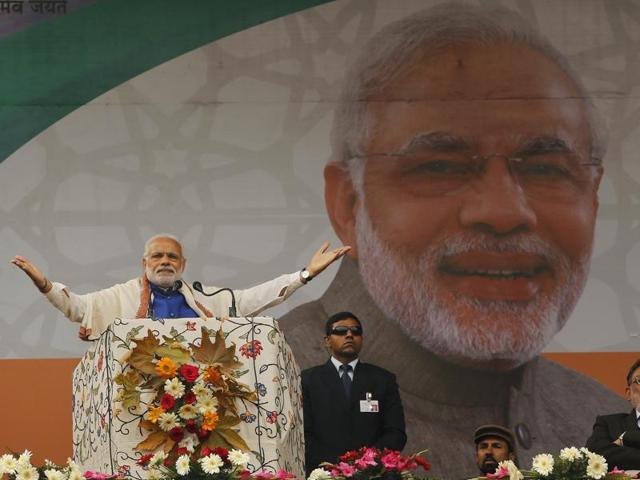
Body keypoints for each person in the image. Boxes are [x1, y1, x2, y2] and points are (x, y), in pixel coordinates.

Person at [279, 3, 629, 477]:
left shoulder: (600, 417)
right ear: (348, 204)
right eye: (440, 165)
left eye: (546, 168)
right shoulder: (253, 398)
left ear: (593, 197)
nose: (503, 212)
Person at [11, 234, 349, 339]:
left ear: (183, 265)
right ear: (144, 263)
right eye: (157, 256)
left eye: (172, 257)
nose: (165, 261)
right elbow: (79, 308)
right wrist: (45, 284)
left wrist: (305, 274)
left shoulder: (208, 300)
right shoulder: (122, 296)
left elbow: (256, 298)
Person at [301, 311, 406, 475]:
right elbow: (303, 435)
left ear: (362, 339)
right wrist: (337, 466)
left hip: (375, 473)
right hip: (325, 473)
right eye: (341, 331)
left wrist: (366, 462)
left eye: (355, 331)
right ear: (327, 341)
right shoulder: (307, 380)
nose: (349, 335)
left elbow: (395, 432)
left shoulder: (383, 380)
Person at [586, 359, 640, 471]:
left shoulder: (625, 436)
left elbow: (611, 455)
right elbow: (595, 457)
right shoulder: (608, 423)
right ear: (629, 393)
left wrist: (626, 438)